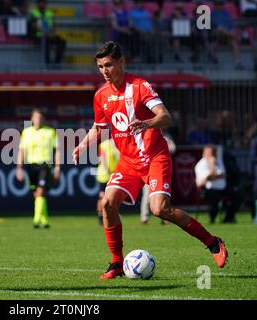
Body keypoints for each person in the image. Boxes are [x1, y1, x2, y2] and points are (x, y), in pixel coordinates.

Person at [72, 41, 228, 279]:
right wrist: (83, 144)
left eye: (109, 65)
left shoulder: (140, 86)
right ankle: (116, 262)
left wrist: (146, 123)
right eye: (100, 66)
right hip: (129, 161)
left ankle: (213, 242)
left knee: (159, 209)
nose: (104, 71)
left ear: (121, 62)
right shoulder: (101, 95)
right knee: (107, 203)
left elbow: (166, 117)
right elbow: (99, 128)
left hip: (155, 156)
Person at [16, 108, 60, 229]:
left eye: (40, 118)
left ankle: (36, 219)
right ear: (32, 119)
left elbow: (57, 151)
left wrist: (57, 167)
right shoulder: (26, 132)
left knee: (41, 191)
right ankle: (44, 219)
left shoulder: (50, 132)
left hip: (45, 165)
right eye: (36, 118)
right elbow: (22, 150)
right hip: (31, 166)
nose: (38, 120)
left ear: (43, 119)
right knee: (37, 193)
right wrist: (19, 168)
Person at [140, 132, 176, 224]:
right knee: (147, 195)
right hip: (149, 169)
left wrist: (163, 146)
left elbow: (173, 148)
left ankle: (165, 218)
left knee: (164, 195)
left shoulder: (167, 136)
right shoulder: (146, 133)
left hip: (163, 168)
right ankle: (144, 217)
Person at [194, 145, 227, 224]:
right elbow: (207, 178)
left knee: (236, 194)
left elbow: (224, 175)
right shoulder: (201, 164)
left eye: (213, 153)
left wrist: (214, 176)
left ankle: (229, 218)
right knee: (214, 196)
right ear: (204, 153)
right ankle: (212, 219)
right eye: (210, 153)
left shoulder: (218, 161)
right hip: (205, 189)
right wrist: (212, 166)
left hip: (221, 188)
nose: (212, 155)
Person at [29, 0, 67, 67]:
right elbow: (34, 26)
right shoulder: (33, 13)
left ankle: (57, 63)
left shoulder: (50, 13)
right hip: (38, 35)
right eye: (40, 2)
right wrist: (46, 30)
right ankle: (47, 63)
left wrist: (52, 33)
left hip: (49, 34)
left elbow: (53, 26)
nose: (42, 4)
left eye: (43, 2)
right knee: (45, 42)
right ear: (37, 4)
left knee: (62, 41)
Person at [96, 138, 120, 226]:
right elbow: (102, 159)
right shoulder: (104, 145)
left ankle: (111, 215)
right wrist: (108, 171)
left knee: (112, 197)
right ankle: (100, 215)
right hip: (104, 175)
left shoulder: (119, 145)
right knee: (102, 196)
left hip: (114, 175)